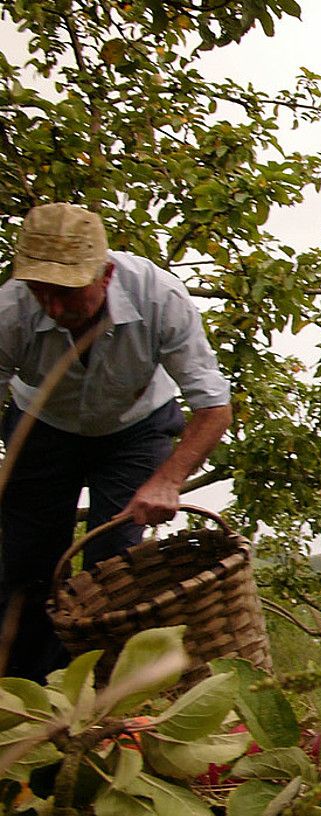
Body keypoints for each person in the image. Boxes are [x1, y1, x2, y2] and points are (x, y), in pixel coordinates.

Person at [0, 203, 233, 680]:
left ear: (104, 275)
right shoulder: (10, 310)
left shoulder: (158, 297)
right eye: (42, 291)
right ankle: (24, 697)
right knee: (26, 566)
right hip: (41, 426)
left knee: (113, 569)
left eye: (67, 292)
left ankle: (96, 695)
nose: (55, 308)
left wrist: (167, 482)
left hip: (134, 427)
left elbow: (213, 407)